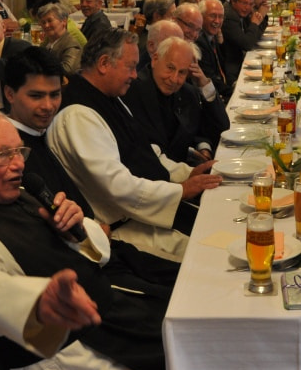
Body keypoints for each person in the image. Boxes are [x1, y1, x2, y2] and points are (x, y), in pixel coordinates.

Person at [0, 107, 169, 370]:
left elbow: (96, 252)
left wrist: (75, 231)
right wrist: (37, 302)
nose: (19, 164)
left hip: (109, 322)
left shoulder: (19, 193)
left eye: (19, 151)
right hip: (66, 360)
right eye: (4, 154)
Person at [50, 28, 222, 261]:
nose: (134, 74)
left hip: (147, 210)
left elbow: (144, 150)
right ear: (104, 63)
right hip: (125, 228)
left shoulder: (111, 97)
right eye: (130, 67)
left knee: (217, 225)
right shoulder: (78, 115)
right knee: (210, 254)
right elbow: (117, 186)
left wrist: (187, 172)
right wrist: (181, 190)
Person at [123, 36, 228, 164]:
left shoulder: (188, 93)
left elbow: (221, 129)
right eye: (170, 68)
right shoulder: (130, 89)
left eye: (182, 72)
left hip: (185, 168)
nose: (174, 79)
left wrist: (204, 84)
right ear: (155, 60)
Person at [220, 0, 268, 82]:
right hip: (232, 68)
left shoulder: (241, 12)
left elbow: (255, 37)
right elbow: (247, 44)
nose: (247, 7)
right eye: (244, 3)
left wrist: (260, 18)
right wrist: (254, 23)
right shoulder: (229, 17)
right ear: (233, 1)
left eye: (251, 4)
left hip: (241, 60)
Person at [195, 0, 231, 101]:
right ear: (201, 17)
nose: (217, 21)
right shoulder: (199, 41)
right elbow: (210, 77)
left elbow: (223, 65)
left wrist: (221, 42)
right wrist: (232, 91)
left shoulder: (212, 35)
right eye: (212, 16)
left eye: (221, 17)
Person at [38, 0, 82, 78]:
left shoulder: (72, 45)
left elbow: (67, 70)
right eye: (43, 22)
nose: (46, 25)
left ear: (64, 22)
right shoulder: (47, 42)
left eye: (50, 20)